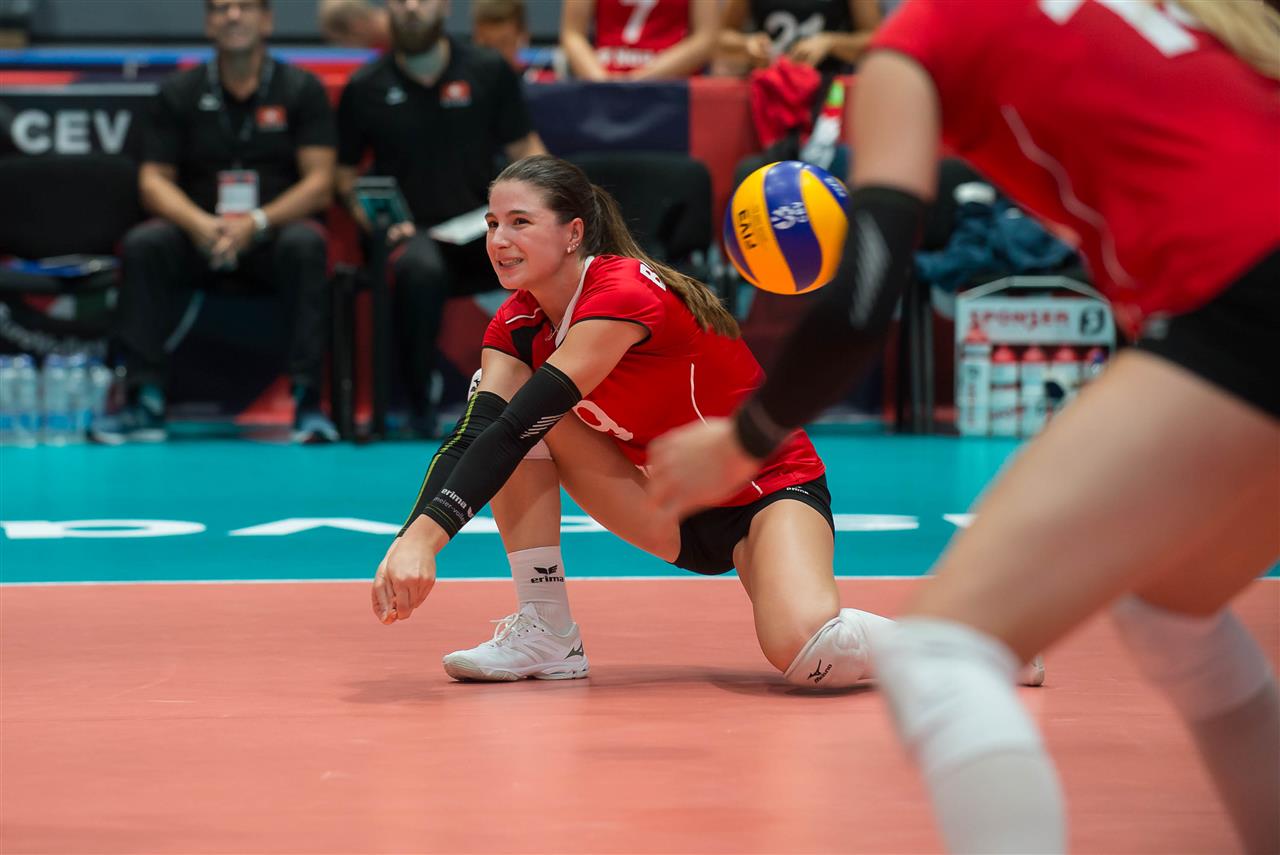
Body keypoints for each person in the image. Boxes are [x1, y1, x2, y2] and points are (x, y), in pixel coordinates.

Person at [647, 1, 1280, 852]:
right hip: (1245, 290)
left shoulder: (925, 35)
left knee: (944, 651)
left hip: (1241, 294)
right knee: (1174, 612)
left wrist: (744, 437)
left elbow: (865, 297)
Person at [369, 153, 899, 690]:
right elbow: (477, 435)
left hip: (766, 488)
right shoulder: (516, 324)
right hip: (666, 500)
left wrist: (428, 542)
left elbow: (517, 426)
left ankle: (929, 644)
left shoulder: (622, 292)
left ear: (573, 233)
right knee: (496, 400)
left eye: (519, 222)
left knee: (808, 651)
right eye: (491, 224)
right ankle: (547, 630)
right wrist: (410, 537)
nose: (498, 240)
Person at [96, 0, 339, 445]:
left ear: (267, 20)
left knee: (307, 244)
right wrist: (200, 224)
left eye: (245, 6)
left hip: (271, 234)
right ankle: (142, 398)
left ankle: (307, 402)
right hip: (199, 235)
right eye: (221, 8)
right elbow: (153, 181)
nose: (233, 16)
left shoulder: (301, 89)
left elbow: (320, 183)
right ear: (209, 23)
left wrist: (257, 222)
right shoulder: (179, 92)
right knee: (145, 245)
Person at [335, 0, 546, 436]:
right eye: (401, 1)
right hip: (412, 235)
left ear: (445, 6)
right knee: (419, 268)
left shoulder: (488, 70)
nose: (412, 7)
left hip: (485, 227)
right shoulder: (365, 86)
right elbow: (343, 177)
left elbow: (525, 149)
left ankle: (548, 398)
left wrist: (545, 209)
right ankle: (420, 404)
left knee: (542, 251)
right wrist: (374, 218)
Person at [714, 0, 882, 77]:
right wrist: (747, 44)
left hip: (829, 88)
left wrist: (830, 43)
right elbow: (719, 37)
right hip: (769, 88)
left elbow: (876, 40)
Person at [559, 0, 717, 81]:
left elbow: (705, 39)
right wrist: (601, 80)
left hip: (672, 87)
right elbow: (572, 34)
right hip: (602, 83)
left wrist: (641, 79)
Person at [318, 0, 391, 50]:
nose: (346, 47)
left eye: (341, 41)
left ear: (356, 27)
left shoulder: (395, 38)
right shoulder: (380, 43)